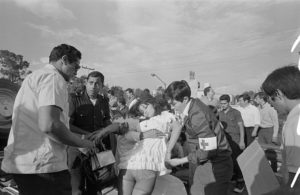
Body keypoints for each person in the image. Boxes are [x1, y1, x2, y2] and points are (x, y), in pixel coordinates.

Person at [1, 44, 95, 195]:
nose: (77, 72)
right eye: (76, 66)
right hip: (45, 167)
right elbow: (50, 125)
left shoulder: (33, 77)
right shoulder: (53, 77)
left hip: (25, 164)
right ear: (64, 60)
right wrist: (83, 143)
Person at [164, 80, 233, 195]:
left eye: (174, 104)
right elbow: (178, 126)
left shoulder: (198, 115)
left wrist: (180, 161)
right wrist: (168, 150)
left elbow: (208, 151)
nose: (172, 107)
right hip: (204, 162)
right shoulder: (188, 106)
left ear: (185, 99)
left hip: (216, 164)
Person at [68, 71, 122, 195]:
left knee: (96, 187)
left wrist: (113, 130)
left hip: (97, 150)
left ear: (102, 86)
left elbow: (107, 122)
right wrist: (87, 135)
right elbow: (68, 125)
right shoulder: (74, 99)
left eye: (97, 83)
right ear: (86, 83)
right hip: (77, 149)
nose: (93, 86)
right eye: (91, 82)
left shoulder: (103, 101)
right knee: (76, 190)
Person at [116, 97, 182, 195]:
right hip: (146, 167)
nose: (145, 113)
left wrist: (141, 135)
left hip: (129, 165)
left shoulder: (159, 119)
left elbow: (127, 134)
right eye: (142, 112)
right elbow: (178, 126)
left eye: (145, 108)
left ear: (152, 103)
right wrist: (168, 150)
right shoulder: (160, 119)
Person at [261, 65, 300, 194]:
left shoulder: (294, 123)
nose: (271, 105)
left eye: (269, 98)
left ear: (278, 94)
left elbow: (295, 179)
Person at [219, 94, 245, 193]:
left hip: (235, 139)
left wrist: (242, 141)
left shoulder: (236, 112)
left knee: (237, 160)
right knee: (229, 160)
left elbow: (241, 127)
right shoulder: (220, 113)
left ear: (229, 103)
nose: (223, 105)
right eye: (221, 103)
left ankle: (241, 182)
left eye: (225, 103)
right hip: (225, 140)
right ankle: (234, 177)